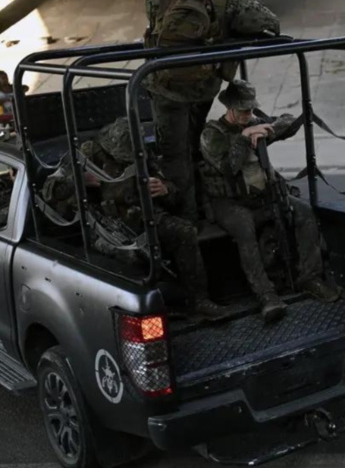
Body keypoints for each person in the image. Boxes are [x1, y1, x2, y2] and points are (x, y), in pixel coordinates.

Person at [144, 0, 281, 222]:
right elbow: (270, 23)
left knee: (172, 156)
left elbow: (154, 26)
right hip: (202, 88)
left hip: (163, 86)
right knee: (196, 147)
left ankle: (186, 220)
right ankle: (205, 211)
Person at [42, 117, 221, 318]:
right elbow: (49, 191)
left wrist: (164, 189)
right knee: (133, 254)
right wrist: (78, 180)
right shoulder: (86, 154)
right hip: (106, 229)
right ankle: (147, 311)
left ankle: (198, 300)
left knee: (184, 232)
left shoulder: (140, 152)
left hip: (144, 219)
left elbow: (172, 190)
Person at [199, 80, 339, 323]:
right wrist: (244, 138)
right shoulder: (212, 134)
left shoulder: (253, 122)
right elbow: (228, 168)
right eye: (243, 110)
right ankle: (266, 295)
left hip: (262, 195)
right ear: (230, 108)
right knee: (244, 229)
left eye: (250, 110)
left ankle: (310, 277)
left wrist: (268, 129)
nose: (248, 114)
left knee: (304, 213)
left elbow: (290, 121)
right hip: (229, 202)